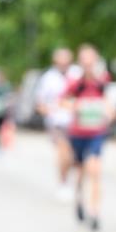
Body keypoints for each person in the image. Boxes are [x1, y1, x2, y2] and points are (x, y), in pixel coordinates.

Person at [63, 44, 113, 232]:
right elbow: (63, 101)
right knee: (81, 171)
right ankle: (79, 199)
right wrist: (77, 106)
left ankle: (95, 212)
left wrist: (109, 111)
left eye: (91, 59)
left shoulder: (103, 81)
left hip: (96, 132)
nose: (88, 63)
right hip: (78, 133)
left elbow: (109, 101)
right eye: (84, 60)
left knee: (95, 169)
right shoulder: (76, 82)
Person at [36, 48, 81, 202]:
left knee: (74, 157)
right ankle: (63, 182)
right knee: (64, 153)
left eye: (66, 60)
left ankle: (74, 182)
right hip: (57, 123)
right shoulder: (48, 78)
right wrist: (50, 110)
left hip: (77, 122)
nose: (63, 63)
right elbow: (40, 104)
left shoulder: (77, 74)